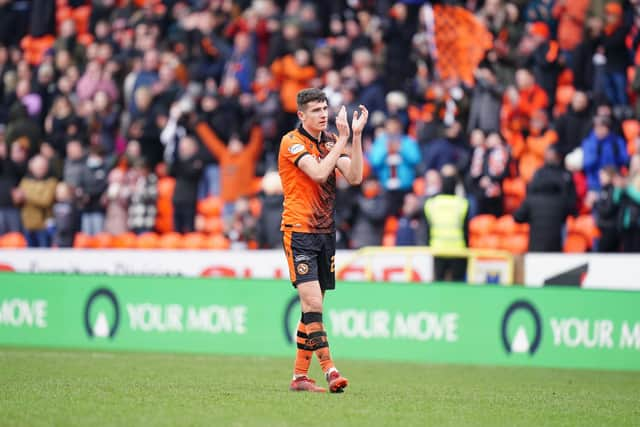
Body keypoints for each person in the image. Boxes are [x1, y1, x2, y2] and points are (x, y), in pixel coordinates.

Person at [278, 88, 367, 393]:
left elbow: (355, 176)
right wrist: (341, 141)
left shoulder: (331, 140)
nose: (323, 114)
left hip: (325, 234)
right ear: (301, 115)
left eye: (325, 108)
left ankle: (299, 377)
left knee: (311, 310)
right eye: (316, 110)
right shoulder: (291, 142)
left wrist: (354, 137)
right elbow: (317, 172)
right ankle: (330, 370)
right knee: (313, 304)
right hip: (299, 230)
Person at [424, 166, 469, 282]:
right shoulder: (462, 204)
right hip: (458, 250)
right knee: (457, 287)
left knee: (438, 285)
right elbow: (466, 231)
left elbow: (427, 229)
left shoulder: (431, 204)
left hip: (437, 249)